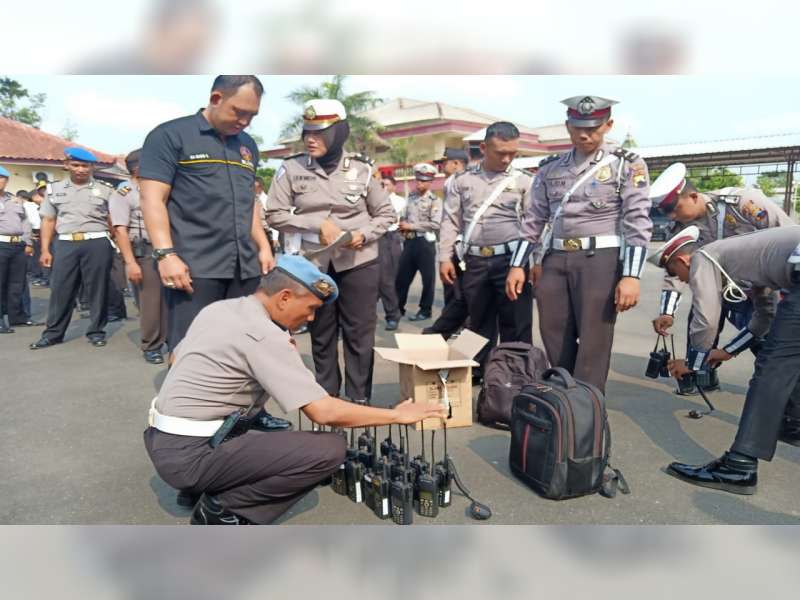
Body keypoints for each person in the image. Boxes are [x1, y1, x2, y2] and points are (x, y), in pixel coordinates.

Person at [144, 255, 446, 525]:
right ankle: (224, 509)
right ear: (285, 297)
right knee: (330, 449)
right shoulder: (263, 334)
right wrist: (396, 415)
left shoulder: (222, 309)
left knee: (257, 427)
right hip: (189, 456)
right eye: (311, 308)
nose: (312, 318)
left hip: (161, 439)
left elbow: (176, 359)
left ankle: (199, 484)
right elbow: (323, 411)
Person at [507, 95, 652, 393]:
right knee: (553, 333)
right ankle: (562, 403)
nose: (584, 134)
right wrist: (517, 265)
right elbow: (533, 219)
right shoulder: (550, 168)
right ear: (567, 126)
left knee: (593, 342)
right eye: (577, 127)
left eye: (594, 128)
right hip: (556, 258)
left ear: (608, 125)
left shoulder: (627, 164)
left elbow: (637, 221)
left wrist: (631, 275)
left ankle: (587, 410)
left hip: (600, 259)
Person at [648, 225, 800, 494]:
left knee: (774, 367)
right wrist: (728, 350)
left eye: (676, 274)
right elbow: (766, 314)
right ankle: (795, 426)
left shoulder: (705, 256)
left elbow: (705, 319)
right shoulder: (746, 259)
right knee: (786, 359)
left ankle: (739, 465)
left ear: (684, 260)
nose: (683, 281)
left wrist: (693, 364)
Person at [266, 98, 394, 402]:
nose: (311, 139)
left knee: (359, 336)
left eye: (320, 132)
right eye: (307, 132)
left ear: (338, 132)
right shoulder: (291, 168)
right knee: (321, 335)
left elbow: (386, 214)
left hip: (358, 262)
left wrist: (361, 235)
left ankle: (360, 399)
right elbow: (274, 214)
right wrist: (315, 224)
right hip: (313, 266)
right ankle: (328, 399)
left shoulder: (362, 170)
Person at [139, 75, 275, 355]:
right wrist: (166, 255)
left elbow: (248, 201)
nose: (245, 121)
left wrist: (262, 246)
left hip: (244, 267)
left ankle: (241, 400)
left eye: (252, 115)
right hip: (194, 267)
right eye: (239, 112)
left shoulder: (247, 146)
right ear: (216, 99)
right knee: (192, 347)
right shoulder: (170, 136)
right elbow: (153, 198)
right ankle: (181, 400)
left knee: (244, 344)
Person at [649, 162, 794, 392]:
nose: (671, 216)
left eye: (674, 208)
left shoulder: (743, 204)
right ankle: (700, 376)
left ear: (693, 196)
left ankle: (774, 391)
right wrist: (667, 311)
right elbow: (676, 271)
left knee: (767, 342)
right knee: (700, 321)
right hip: (718, 289)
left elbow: (786, 236)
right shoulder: (678, 230)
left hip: (759, 287)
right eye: (665, 212)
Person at [439, 122, 534, 376]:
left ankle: (517, 377)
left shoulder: (524, 182)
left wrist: (531, 264)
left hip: (512, 262)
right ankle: (477, 374)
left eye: (512, 154)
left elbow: (533, 226)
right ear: (483, 148)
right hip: (474, 261)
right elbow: (450, 220)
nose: (506, 159)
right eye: (499, 152)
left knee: (516, 323)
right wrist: (444, 257)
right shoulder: (461, 181)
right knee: (477, 321)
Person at [30, 148, 116, 349]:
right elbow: (49, 220)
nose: (80, 170)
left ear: (92, 167)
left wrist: (110, 240)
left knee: (98, 288)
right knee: (61, 288)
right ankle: (53, 333)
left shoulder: (106, 190)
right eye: (76, 165)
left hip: (96, 242)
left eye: (85, 166)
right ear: (67, 165)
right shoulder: (54, 190)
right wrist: (45, 249)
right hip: (66, 243)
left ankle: (96, 331)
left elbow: (113, 220)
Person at [110, 149, 168, 364]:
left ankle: (171, 338)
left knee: (172, 300)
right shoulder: (125, 193)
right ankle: (151, 345)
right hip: (144, 253)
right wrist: (130, 263)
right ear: (138, 168)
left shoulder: (162, 188)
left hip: (168, 252)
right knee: (151, 302)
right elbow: (120, 230)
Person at [424, 148, 470, 338]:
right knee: (458, 294)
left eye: (444, 163)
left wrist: (446, 253)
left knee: (459, 295)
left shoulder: (455, 181)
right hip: (461, 246)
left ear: (456, 164)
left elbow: (450, 220)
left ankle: (442, 331)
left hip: (459, 247)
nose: (441, 167)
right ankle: (455, 329)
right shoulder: (464, 180)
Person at [395, 163, 442, 322]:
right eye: (418, 180)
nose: (419, 184)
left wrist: (411, 226)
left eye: (423, 181)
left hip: (425, 243)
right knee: (402, 278)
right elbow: (404, 216)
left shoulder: (435, 201)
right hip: (409, 242)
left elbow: (435, 224)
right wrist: (402, 225)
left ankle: (425, 310)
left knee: (428, 279)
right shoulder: (411, 198)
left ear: (430, 182)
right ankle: (397, 308)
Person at [0, 167, 35, 333]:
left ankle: (17, 317)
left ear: (7, 181)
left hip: (18, 245)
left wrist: (28, 242)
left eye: (2, 178)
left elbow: (25, 222)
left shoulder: (14, 200)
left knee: (17, 283)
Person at [378, 174, 405, 331]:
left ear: (394, 186)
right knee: (375, 281)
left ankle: (393, 315)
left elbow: (393, 219)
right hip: (375, 238)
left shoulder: (399, 201)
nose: (384, 187)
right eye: (382, 184)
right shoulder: (375, 200)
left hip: (390, 237)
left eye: (387, 184)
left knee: (388, 280)